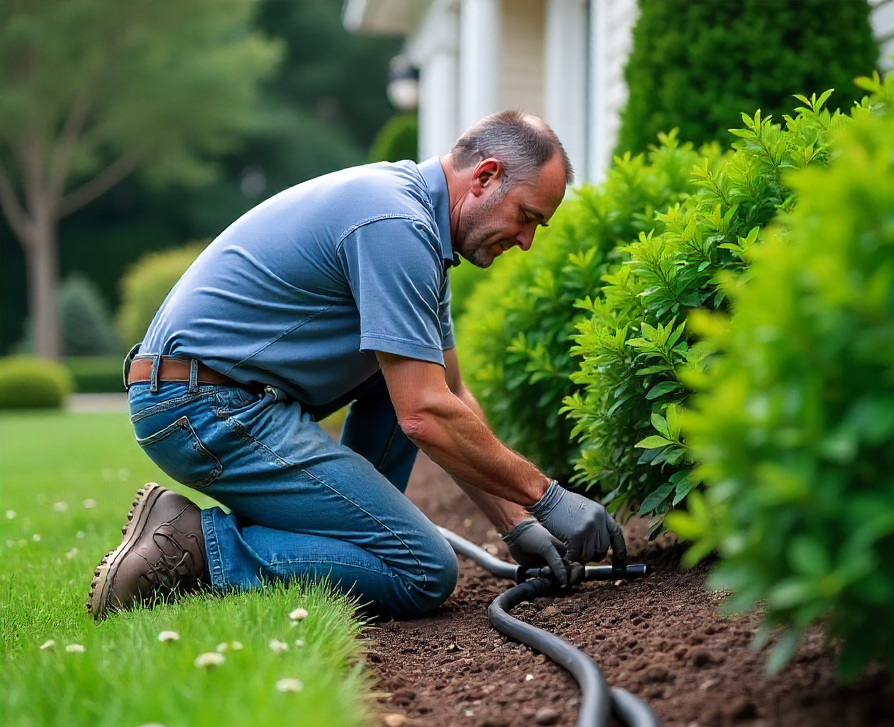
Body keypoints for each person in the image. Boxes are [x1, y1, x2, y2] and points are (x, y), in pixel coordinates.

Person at [87, 110, 626, 622]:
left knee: (409, 382)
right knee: (422, 572)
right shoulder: (396, 224)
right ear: (485, 177)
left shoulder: (420, 228)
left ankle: (320, 537)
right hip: (203, 406)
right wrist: (548, 497)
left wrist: (516, 523)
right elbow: (424, 415)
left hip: (219, 399)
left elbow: (449, 394)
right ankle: (195, 546)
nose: (528, 241)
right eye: (527, 216)